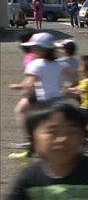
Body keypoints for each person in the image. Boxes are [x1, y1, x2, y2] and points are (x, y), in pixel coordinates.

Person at [9, 33, 72, 162]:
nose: (33, 50)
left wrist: (18, 86)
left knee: (34, 126)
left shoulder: (36, 64)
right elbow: (73, 78)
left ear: (43, 49)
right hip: (59, 101)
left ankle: (32, 150)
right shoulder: (61, 64)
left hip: (45, 104)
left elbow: (29, 83)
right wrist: (71, 88)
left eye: (35, 47)